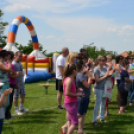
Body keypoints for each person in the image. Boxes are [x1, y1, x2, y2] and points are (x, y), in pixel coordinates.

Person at [60, 64, 83, 134]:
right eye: (77, 71)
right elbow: (67, 93)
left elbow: (70, 91)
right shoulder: (69, 80)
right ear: (74, 71)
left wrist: (77, 90)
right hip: (70, 103)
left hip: (73, 102)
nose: (77, 72)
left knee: (71, 119)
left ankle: (65, 129)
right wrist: (78, 95)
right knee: (75, 122)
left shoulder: (70, 79)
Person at [93, 55, 110, 126]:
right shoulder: (96, 69)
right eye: (102, 60)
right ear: (99, 61)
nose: (104, 61)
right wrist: (105, 76)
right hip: (98, 88)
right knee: (97, 104)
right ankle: (94, 120)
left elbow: (106, 78)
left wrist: (108, 76)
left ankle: (102, 117)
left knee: (103, 103)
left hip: (104, 88)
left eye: (104, 60)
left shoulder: (105, 69)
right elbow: (97, 80)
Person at [5, 51, 22, 119]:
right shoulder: (10, 65)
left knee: (8, 101)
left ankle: (7, 115)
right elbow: (11, 75)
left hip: (11, 84)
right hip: (9, 84)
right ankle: (7, 115)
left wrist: (15, 84)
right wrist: (18, 74)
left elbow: (12, 74)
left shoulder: (7, 64)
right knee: (8, 101)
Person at [76, 61, 92, 134]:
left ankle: (80, 130)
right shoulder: (80, 75)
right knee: (80, 115)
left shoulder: (81, 74)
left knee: (83, 114)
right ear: (82, 66)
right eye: (85, 66)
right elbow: (87, 85)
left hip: (85, 96)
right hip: (82, 97)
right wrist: (89, 77)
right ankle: (68, 125)